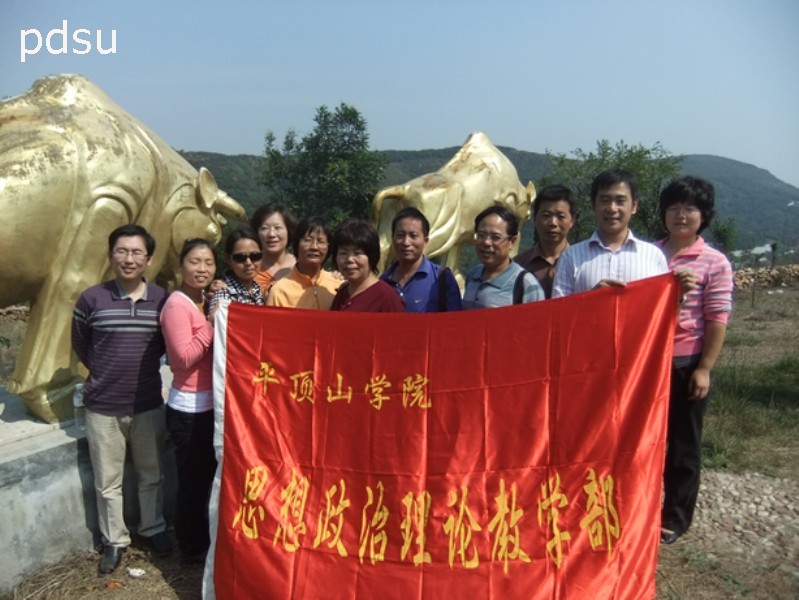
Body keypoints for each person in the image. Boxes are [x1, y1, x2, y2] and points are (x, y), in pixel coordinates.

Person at [71, 224, 172, 575]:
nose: (129, 259)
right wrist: (105, 373)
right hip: (102, 407)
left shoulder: (162, 300)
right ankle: (114, 540)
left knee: (151, 473)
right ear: (111, 255)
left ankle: (153, 527)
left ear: (148, 259)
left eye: (136, 252)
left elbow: (166, 345)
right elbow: (81, 343)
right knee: (107, 481)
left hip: (147, 404)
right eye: (122, 251)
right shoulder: (91, 299)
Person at [655, 176, 733, 545]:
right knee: (647, 440)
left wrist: (704, 368)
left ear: (704, 215)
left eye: (689, 208)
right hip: (647, 363)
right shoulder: (650, 255)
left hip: (686, 362)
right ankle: (642, 508)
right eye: (674, 207)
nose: (681, 215)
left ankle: (676, 517)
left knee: (683, 445)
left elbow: (717, 318)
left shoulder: (714, 262)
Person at [159, 238, 217, 562]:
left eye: (208, 263)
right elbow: (182, 359)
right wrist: (210, 325)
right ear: (181, 266)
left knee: (206, 477)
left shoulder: (204, 300)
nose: (202, 269)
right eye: (195, 262)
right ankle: (191, 547)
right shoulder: (176, 306)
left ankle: (201, 538)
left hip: (209, 405)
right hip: (188, 408)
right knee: (193, 482)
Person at [552, 168, 695, 298]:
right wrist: (592, 299)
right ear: (593, 205)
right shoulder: (571, 257)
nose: (612, 208)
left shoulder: (653, 255)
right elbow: (558, 313)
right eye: (605, 200)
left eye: (620, 201)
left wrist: (678, 295)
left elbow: (662, 312)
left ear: (634, 206)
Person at [380, 207, 461, 312]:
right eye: (400, 235)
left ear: (425, 241)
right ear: (393, 239)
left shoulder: (442, 278)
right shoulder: (384, 281)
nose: (406, 242)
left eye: (413, 236)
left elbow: (455, 320)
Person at [462, 206, 545, 309]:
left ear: (512, 241)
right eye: (481, 235)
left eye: (495, 237)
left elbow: (538, 319)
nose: (486, 242)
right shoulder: (473, 275)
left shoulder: (526, 284)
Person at [514, 184, 575, 299]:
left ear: (572, 221)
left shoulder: (580, 263)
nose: (553, 223)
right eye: (546, 215)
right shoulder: (518, 266)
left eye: (560, 216)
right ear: (535, 218)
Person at [330, 219, 405, 312]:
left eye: (357, 253)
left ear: (371, 256)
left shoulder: (387, 297)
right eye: (343, 253)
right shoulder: (342, 293)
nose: (349, 259)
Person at [266, 216, 340, 310]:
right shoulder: (279, 291)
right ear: (297, 244)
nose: (314, 247)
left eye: (320, 241)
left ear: (328, 246)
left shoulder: (338, 285)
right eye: (307, 240)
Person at [209, 226, 265, 316]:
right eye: (240, 258)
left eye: (255, 256)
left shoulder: (257, 290)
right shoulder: (223, 295)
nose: (248, 263)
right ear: (228, 259)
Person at [251, 203, 298, 296]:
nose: (271, 234)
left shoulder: (303, 266)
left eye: (278, 228)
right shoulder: (249, 269)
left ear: (289, 231)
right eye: (264, 228)